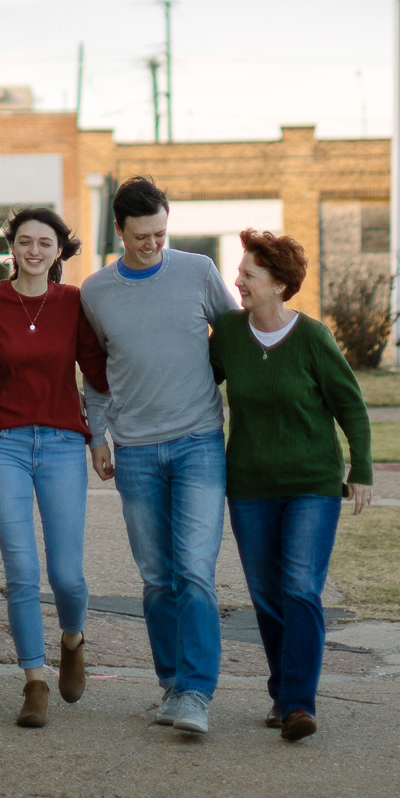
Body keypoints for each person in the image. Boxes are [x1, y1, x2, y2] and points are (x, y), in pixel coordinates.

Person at [79, 177, 233, 738]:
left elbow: (237, 340)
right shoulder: (96, 292)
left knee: (194, 571)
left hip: (198, 442)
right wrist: (97, 436)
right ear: (119, 230)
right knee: (156, 577)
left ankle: (197, 692)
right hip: (136, 451)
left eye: (162, 233)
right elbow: (95, 376)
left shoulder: (199, 272)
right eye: (142, 236)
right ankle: (171, 684)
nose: (153, 245)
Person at [209, 228, 373, 744]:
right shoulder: (230, 334)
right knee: (266, 595)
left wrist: (361, 469)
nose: (238, 281)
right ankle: (283, 691)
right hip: (250, 486)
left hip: (312, 485)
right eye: (240, 273)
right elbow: (194, 383)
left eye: (249, 275)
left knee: (300, 588)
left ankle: (300, 704)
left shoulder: (313, 338)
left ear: (279, 285)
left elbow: (351, 406)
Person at [0, 206, 110, 729]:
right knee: (22, 572)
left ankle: (73, 639)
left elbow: (97, 374)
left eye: (45, 243)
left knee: (66, 575)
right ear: (13, 247)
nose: (34, 251)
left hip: (60, 444)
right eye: (25, 241)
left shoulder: (74, 304)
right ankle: (33, 681)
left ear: (59, 251)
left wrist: (101, 437)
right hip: (1, 443)